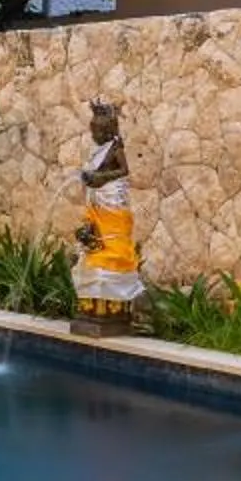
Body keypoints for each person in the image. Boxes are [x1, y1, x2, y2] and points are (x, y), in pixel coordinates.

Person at [73, 100, 143, 333]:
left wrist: (101, 179)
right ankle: (92, 300)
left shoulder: (115, 148)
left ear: (108, 131)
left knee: (114, 245)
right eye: (93, 131)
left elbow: (124, 171)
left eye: (98, 131)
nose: (94, 135)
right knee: (93, 244)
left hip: (113, 201)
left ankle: (113, 304)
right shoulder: (98, 151)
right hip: (99, 201)